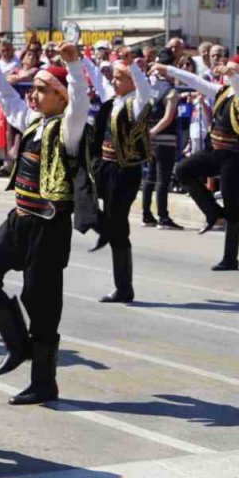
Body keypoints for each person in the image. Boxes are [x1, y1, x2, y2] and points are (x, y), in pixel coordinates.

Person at [0, 39, 87, 405]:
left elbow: (80, 102)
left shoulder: (70, 128)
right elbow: (6, 97)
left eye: (41, 89)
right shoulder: (32, 121)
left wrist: (75, 66)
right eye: (32, 89)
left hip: (49, 227)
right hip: (19, 218)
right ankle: (18, 345)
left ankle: (43, 383)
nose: (32, 95)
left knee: (42, 303)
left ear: (60, 97)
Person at [156, 54, 239, 271]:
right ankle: (212, 211)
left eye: (232, 69)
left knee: (233, 205)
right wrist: (169, 69)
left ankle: (230, 258)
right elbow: (196, 82)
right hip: (217, 151)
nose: (225, 72)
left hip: (237, 156)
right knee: (183, 169)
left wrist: (231, 73)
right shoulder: (222, 91)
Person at [81, 49, 155, 303]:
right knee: (79, 192)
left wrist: (132, 65)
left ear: (132, 81)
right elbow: (97, 77)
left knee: (119, 228)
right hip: (104, 166)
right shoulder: (113, 100)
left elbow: (145, 90)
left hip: (124, 173)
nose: (114, 81)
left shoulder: (136, 103)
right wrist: (78, 57)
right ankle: (104, 228)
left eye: (119, 78)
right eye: (114, 77)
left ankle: (124, 288)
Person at [141, 50, 183, 230]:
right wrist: (154, 132)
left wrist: (148, 133)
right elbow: (168, 117)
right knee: (162, 179)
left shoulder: (150, 89)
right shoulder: (171, 91)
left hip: (150, 138)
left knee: (150, 177)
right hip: (164, 139)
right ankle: (163, 217)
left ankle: (146, 215)